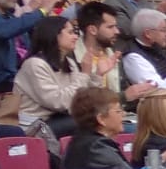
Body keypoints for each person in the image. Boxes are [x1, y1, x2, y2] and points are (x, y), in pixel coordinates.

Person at [12, 13, 109, 149]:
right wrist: (85, 74)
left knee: (104, 119)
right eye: (70, 32)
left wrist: (98, 75)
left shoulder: (68, 62)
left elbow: (83, 98)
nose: (76, 37)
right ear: (54, 35)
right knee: (89, 123)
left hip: (61, 120)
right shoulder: (34, 65)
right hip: (36, 125)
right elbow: (58, 102)